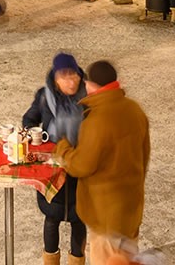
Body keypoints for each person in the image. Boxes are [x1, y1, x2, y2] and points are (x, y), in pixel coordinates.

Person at [54, 59, 150, 263]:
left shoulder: (96, 121)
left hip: (106, 217)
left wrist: (63, 147)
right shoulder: (135, 110)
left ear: (91, 85)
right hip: (131, 210)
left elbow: (80, 165)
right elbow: (145, 155)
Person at [22, 53, 87, 265]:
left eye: (73, 75)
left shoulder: (89, 99)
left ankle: (77, 261)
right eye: (64, 76)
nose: (70, 81)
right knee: (52, 218)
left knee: (79, 219)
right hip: (52, 170)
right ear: (56, 80)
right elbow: (29, 119)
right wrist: (33, 135)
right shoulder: (44, 97)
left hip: (80, 169)